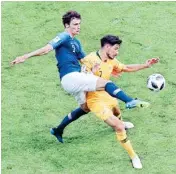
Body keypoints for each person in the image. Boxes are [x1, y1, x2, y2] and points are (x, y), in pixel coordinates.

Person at [11, 10, 150, 112]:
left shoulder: (76, 42)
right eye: (75, 24)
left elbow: (85, 60)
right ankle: (130, 101)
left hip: (75, 78)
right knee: (107, 84)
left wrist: (109, 68)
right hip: (70, 77)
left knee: (86, 107)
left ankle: (58, 129)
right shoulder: (64, 36)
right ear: (66, 25)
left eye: (79, 24)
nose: (78, 27)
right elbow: (47, 49)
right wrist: (25, 56)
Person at [50, 35, 159, 144]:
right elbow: (82, 79)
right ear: (107, 47)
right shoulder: (90, 59)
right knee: (91, 106)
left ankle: (58, 130)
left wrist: (145, 65)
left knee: (110, 107)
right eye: (115, 49)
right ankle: (127, 107)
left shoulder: (111, 60)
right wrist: (92, 71)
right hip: (90, 93)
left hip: (104, 91)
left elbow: (125, 68)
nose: (117, 52)